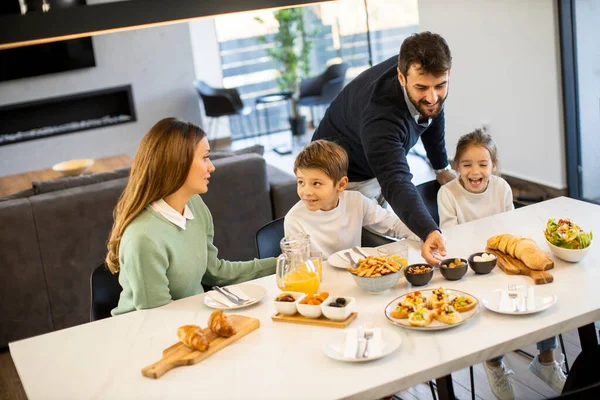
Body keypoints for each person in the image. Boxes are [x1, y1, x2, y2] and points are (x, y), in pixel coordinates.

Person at [437, 128, 565, 399]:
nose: (475, 171)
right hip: (473, 269)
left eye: (483, 164)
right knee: (489, 309)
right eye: (467, 164)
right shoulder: (447, 194)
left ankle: (546, 358)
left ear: (493, 166)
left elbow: (512, 228)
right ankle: (494, 364)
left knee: (545, 293)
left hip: (506, 261)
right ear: (456, 165)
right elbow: (453, 240)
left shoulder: (502, 188)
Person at [311, 31, 455, 266]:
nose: (432, 96)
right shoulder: (381, 116)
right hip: (343, 176)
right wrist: (429, 230)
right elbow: (396, 181)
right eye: (422, 88)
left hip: (372, 159)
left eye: (440, 85)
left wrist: (441, 166)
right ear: (401, 77)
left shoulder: (425, 81)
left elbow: (432, 114)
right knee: (361, 259)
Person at [106, 118, 276, 315]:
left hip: (190, 320)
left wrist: (281, 263)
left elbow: (215, 272)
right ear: (179, 163)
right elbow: (156, 318)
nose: (211, 167)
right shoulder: (144, 238)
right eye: (205, 157)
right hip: (147, 334)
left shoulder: (194, 204)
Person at [284, 140, 418, 259]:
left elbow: (393, 225)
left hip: (357, 276)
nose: (306, 192)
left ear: (341, 184)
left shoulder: (356, 201)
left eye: (316, 183)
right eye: (301, 182)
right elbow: (300, 267)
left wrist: (426, 233)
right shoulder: (295, 219)